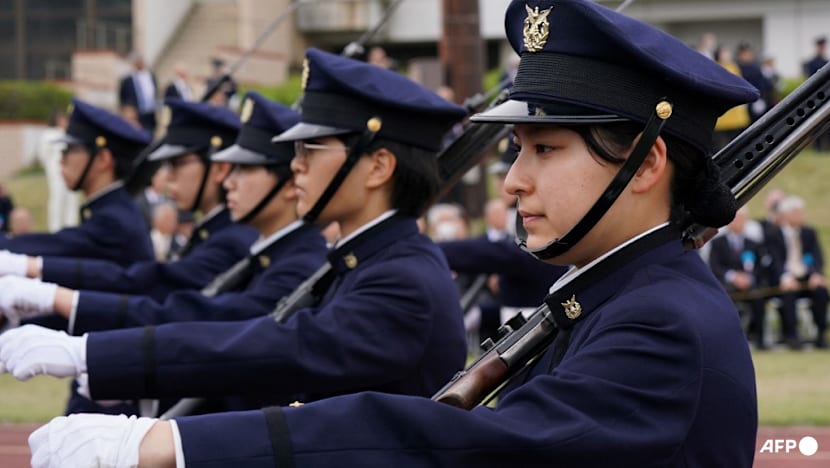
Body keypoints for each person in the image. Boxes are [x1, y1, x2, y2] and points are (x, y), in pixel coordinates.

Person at [21, 1, 762, 467]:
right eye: (516, 152)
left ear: (647, 161)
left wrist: (178, 445)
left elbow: (481, 445)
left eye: (545, 148)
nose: (513, 182)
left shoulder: (658, 322)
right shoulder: (614, 297)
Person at [3, 49, 467, 420]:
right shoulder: (359, 263)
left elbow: (275, 349)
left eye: (311, 149)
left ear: (379, 166)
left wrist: (94, 354)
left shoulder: (399, 279)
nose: (297, 166)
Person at [0, 92, 326, 417]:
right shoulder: (258, 250)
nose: (229, 182)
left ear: (289, 183)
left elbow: (202, 317)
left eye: (243, 169)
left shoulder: (279, 256)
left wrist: (91, 348)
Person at [0, 98, 255, 304]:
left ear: (102, 160)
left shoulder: (116, 220)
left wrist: (28, 267)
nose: (167, 177)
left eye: (177, 164)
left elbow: (137, 289)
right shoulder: (210, 232)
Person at [0, 99, 153, 266]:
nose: (61, 159)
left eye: (69, 150)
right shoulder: (112, 208)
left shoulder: (113, 221)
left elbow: (58, 247)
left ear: (103, 159)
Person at [767, 195, 828, 349]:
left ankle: (821, 334)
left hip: (805, 276)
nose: (801, 216)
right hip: (785, 279)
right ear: (786, 215)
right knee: (788, 295)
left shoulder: (809, 232)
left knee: (821, 291)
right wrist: (785, 277)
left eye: (801, 212)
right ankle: (792, 336)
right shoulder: (774, 234)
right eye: (796, 212)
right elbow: (774, 260)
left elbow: (817, 256)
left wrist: (816, 274)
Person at [707, 207, 769, 349]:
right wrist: (733, 276)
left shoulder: (752, 243)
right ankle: (727, 339)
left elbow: (760, 267)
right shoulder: (718, 243)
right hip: (727, 285)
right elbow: (714, 266)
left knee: (759, 297)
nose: (740, 223)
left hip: (749, 285)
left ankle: (758, 337)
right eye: (737, 219)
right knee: (725, 300)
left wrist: (749, 278)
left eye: (742, 220)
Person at [34, 109, 80, 231]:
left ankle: (71, 226)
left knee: (71, 197)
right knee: (57, 198)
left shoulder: (69, 133)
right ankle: (55, 228)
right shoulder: (48, 134)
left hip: (71, 171)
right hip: (56, 172)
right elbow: (43, 154)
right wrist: (51, 166)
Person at [118, 51, 159, 133]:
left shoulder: (151, 76)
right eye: (138, 61)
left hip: (150, 114)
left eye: (141, 60)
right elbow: (123, 99)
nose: (140, 62)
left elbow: (155, 94)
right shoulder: (127, 81)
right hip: (135, 116)